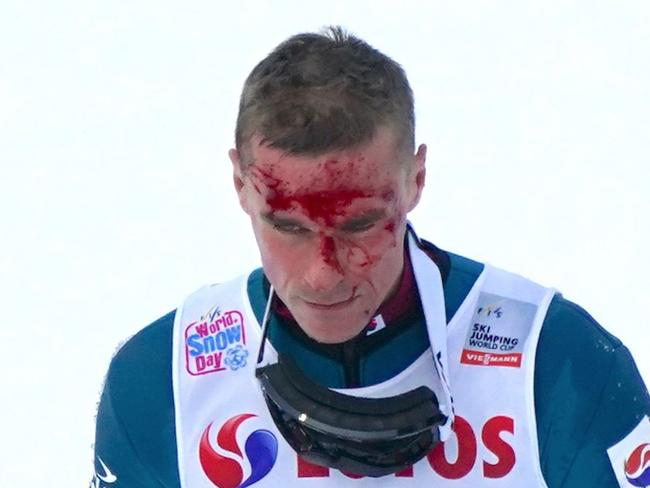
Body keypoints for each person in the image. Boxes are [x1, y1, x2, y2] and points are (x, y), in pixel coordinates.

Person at [91, 26, 649, 488]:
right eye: (287, 225)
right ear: (239, 183)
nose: (323, 274)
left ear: (417, 179)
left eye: (359, 224)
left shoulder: (558, 365)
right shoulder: (161, 383)